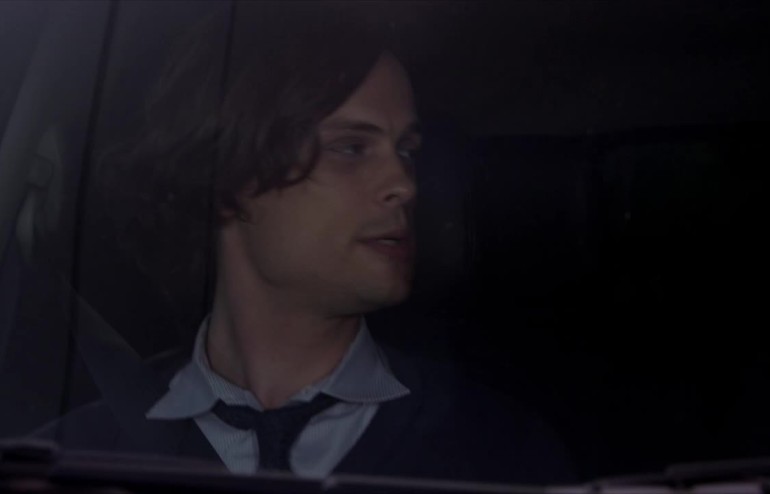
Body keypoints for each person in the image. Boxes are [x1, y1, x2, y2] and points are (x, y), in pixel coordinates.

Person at [36, 3, 574, 484]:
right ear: (227, 174)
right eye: (351, 148)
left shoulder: (501, 454)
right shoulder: (65, 461)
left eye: (406, 151)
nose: (405, 185)